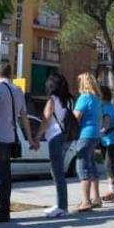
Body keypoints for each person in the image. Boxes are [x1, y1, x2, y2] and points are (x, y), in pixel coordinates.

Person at [0, 62, 39, 224]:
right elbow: (24, 117)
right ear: (11, 74)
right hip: (11, 137)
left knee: (0, 175)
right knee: (6, 174)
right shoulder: (18, 91)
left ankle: (3, 210)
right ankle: (4, 208)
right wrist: (30, 138)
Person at [33, 72, 72, 216]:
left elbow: (45, 119)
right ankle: (61, 203)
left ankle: (62, 206)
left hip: (54, 136)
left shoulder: (53, 99)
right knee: (58, 171)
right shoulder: (68, 100)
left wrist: (37, 137)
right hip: (64, 136)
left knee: (57, 172)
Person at [72, 73, 103, 211]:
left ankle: (86, 201)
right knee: (91, 165)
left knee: (82, 166)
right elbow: (100, 118)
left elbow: (77, 116)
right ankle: (96, 198)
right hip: (95, 133)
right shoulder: (97, 99)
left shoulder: (83, 98)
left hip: (85, 134)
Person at [99, 86, 114, 201]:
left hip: (110, 139)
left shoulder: (106, 107)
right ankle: (112, 190)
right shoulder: (111, 106)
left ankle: (112, 191)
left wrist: (100, 132)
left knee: (108, 164)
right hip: (109, 139)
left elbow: (107, 122)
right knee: (107, 164)